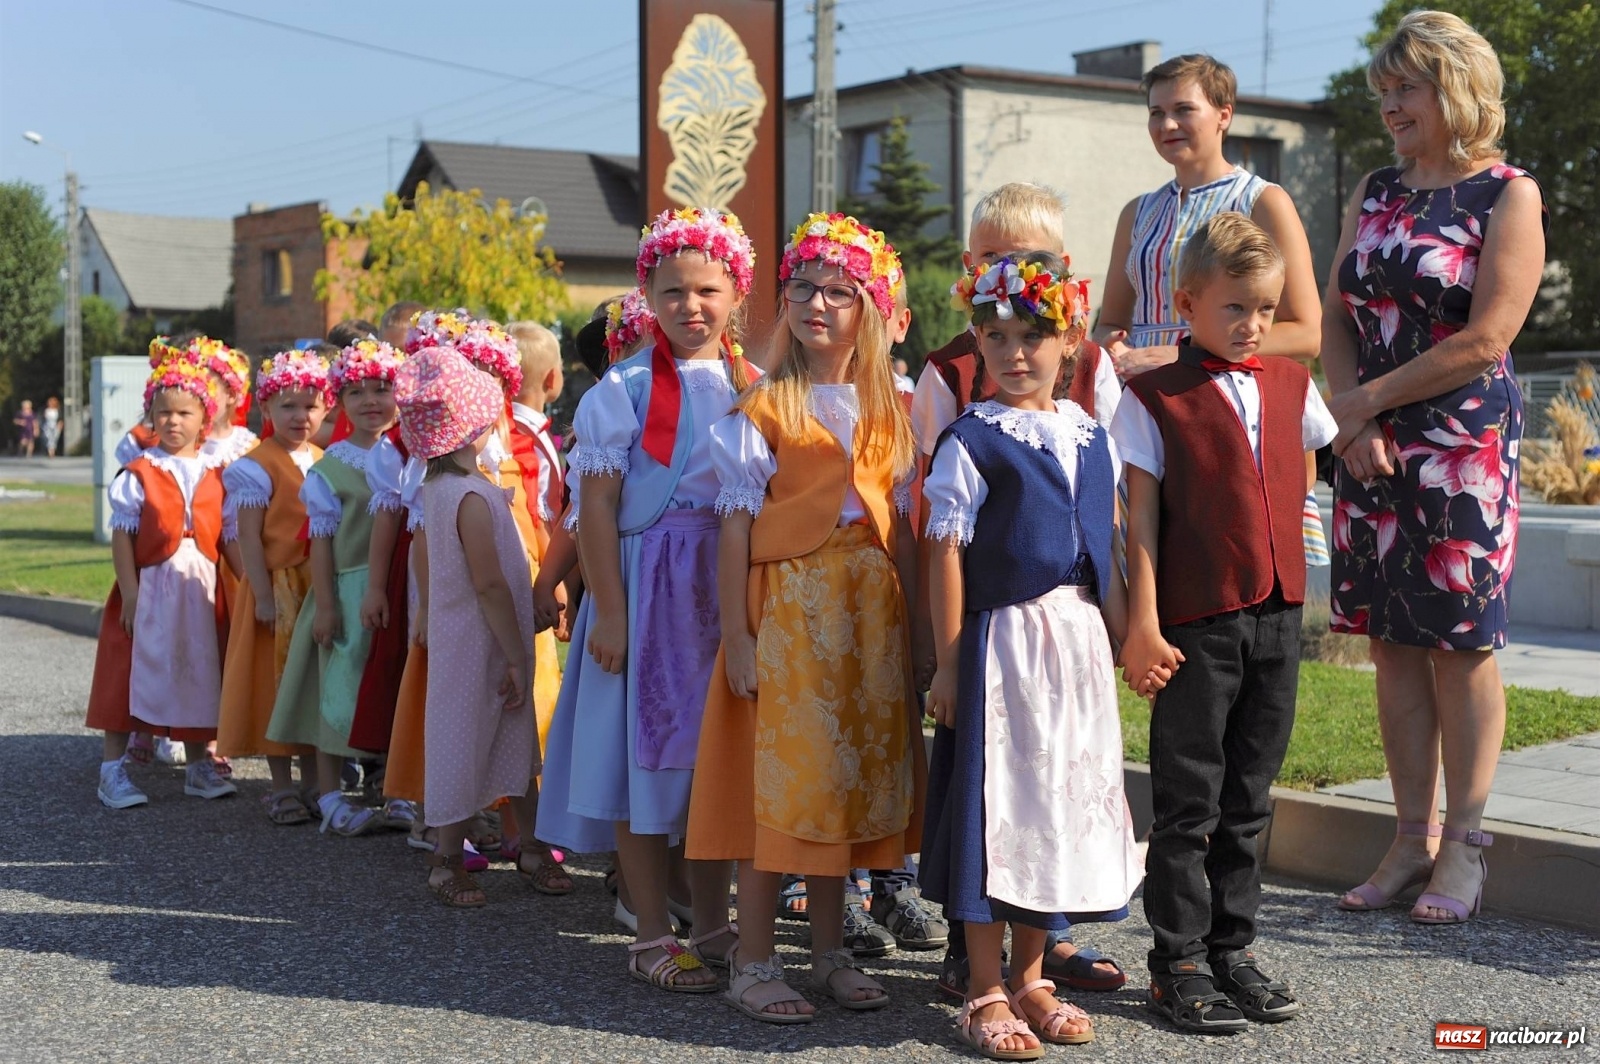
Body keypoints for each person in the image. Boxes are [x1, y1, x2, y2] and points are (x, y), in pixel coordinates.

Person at [1322, 10, 1546, 925]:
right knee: (1390, 642)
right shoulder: (1376, 188)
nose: (1389, 106)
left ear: (1456, 88)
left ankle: (1464, 845)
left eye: (1405, 88)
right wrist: (1349, 416)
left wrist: (1366, 403)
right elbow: (1336, 312)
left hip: (1462, 443)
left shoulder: (1508, 194)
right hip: (1367, 440)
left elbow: (1487, 337)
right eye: (1383, 91)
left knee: (1461, 646)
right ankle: (1409, 839)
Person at [687, 211, 924, 1023]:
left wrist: (921, 640)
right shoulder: (763, 407)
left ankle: (828, 954)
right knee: (783, 787)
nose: (817, 303)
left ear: (874, 311)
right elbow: (735, 527)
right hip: (790, 611)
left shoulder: (890, 406)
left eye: (839, 291)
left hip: (868, 620)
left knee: (842, 787)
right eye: (803, 288)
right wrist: (737, 635)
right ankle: (753, 959)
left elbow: (903, 529)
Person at [1113, 212, 1337, 1033]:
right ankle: (1176, 961)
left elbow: (1300, 480)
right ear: (1187, 303)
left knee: (1250, 795)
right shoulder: (1152, 398)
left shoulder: (1292, 384)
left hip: (1276, 616)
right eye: (1235, 307)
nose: (1252, 324)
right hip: (1196, 621)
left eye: (1265, 309)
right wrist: (1143, 622)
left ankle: (1232, 948)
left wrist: (1295, 581)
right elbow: (1139, 520)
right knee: (1190, 800)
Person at [921, 253, 1148, 1058]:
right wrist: (950, 662)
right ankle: (984, 985)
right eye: (997, 337)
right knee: (1003, 808)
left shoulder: (1091, 435)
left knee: (1053, 807)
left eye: (1034, 336)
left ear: (1071, 339)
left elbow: (1104, 545)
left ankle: (1031, 975)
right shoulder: (973, 440)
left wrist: (1126, 637)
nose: (1016, 353)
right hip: (1004, 648)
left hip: (1075, 647)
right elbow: (945, 553)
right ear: (978, 343)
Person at [536, 207, 756, 993]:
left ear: (737, 293)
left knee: (713, 762)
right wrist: (612, 609)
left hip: (724, 583)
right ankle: (652, 928)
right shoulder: (623, 390)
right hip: (648, 584)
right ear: (649, 296)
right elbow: (594, 506)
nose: (690, 306)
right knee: (641, 760)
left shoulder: (756, 385)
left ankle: (715, 918)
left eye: (707, 290)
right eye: (672, 292)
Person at [1094, 52, 1330, 571]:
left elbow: (1307, 332)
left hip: (1227, 410)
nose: (1167, 125)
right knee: (1147, 564)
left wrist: (1179, 354)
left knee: (1221, 567)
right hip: (1146, 408)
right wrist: (1113, 347)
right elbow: (1110, 320)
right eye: (1156, 113)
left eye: (1183, 109)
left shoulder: (1263, 201)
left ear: (1225, 113)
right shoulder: (1137, 212)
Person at [393, 344, 542, 908]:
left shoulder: (436, 489)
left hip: (464, 640)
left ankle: (527, 845)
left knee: (504, 736)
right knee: (465, 744)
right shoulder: (472, 496)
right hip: (485, 643)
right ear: (476, 425)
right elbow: (489, 584)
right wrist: (515, 654)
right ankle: (446, 860)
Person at [265, 339, 405, 836]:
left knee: (396, 687)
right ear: (339, 401)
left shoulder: (409, 456)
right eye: (356, 392)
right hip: (347, 591)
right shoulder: (330, 469)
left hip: (400, 589)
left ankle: (399, 787)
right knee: (337, 692)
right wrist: (325, 606)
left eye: (382, 389)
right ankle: (329, 793)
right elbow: (321, 543)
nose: (371, 401)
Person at [85, 355, 236, 808]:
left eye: (184, 412)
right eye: (163, 412)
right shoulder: (140, 472)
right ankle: (112, 770)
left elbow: (228, 539)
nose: (173, 421)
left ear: (205, 417)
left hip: (199, 589)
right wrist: (130, 593)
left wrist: (246, 586)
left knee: (199, 671)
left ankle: (198, 765)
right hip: (151, 586)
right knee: (128, 675)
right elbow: (123, 536)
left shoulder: (217, 471)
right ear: (150, 414)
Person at [217, 349, 331, 825]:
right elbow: (247, 535)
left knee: (311, 682)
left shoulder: (324, 460)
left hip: (316, 586)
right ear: (265, 408)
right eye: (288, 406)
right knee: (275, 682)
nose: (300, 416)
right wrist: (262, 595)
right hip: (278, 585)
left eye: (310, 406)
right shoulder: (256, 466)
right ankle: (280, 784)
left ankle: (314, 781)